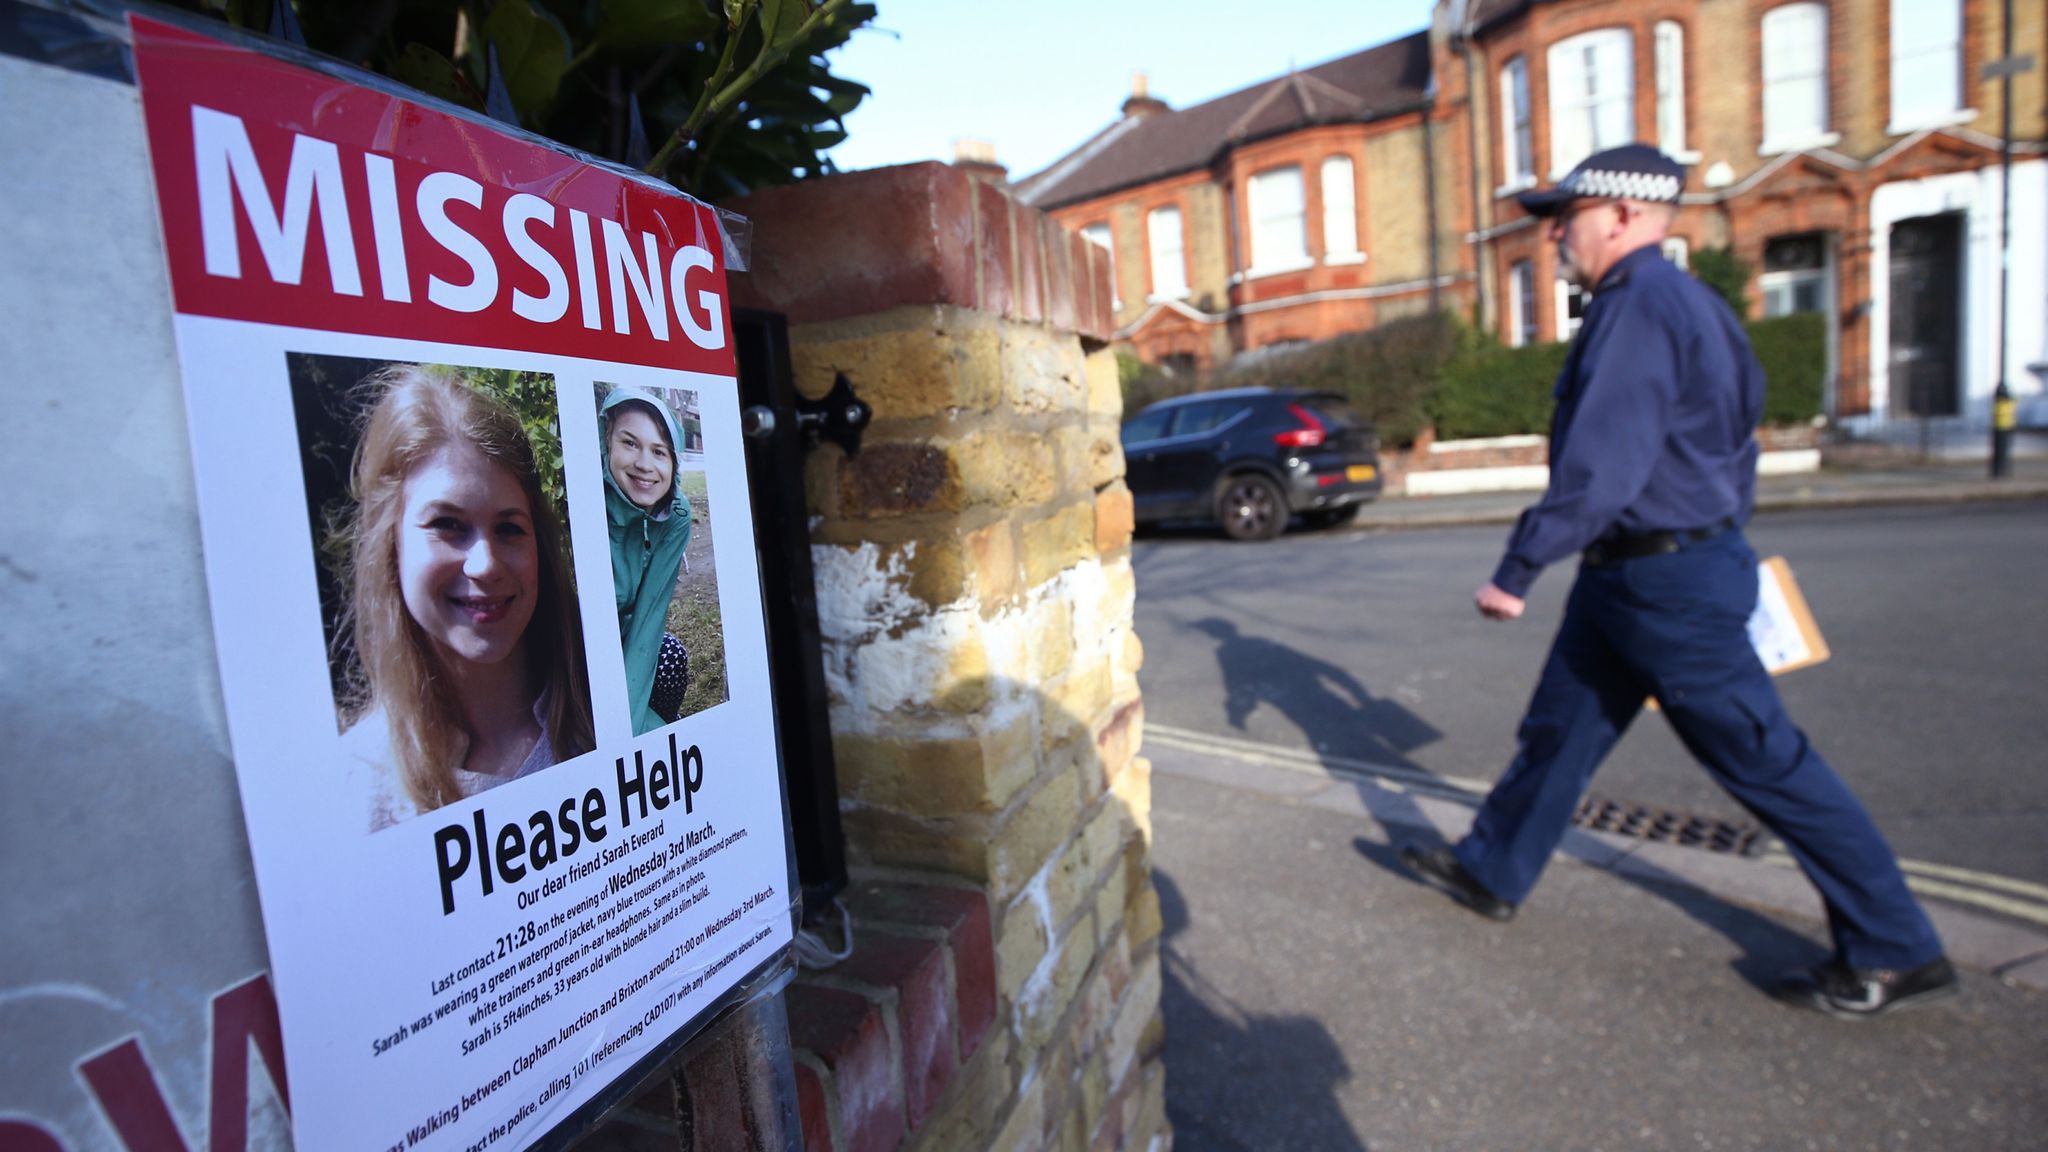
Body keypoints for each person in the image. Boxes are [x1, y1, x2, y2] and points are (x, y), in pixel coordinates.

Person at [1398, 144, 1957, 1019]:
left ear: (1622, 217)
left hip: (1666, 587)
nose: (1555, 239)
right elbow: (1735, 444)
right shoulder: (1693, 306)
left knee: (1766, 763)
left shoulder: (1639, 310)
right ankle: (1492, 869)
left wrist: (1519, 567)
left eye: (1568, 219)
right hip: (1636, 576)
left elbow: (1602, 468)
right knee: (1560, 732)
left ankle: (1897, 945)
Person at [335, 366, 595, 829]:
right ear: (388, 540)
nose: (486, 564)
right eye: (447, 525)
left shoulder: (611, 704)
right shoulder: (353, 789)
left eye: (510, 528)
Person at [599, 385, 694, 734]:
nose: (644, 465)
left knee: (669, 656)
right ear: (607, 439)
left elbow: (648, 622)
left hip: (626, 641)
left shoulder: (676, 515)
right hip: (573, 657)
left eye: (659, 451)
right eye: (629, 443)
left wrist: (625, 731)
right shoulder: (580, 505)